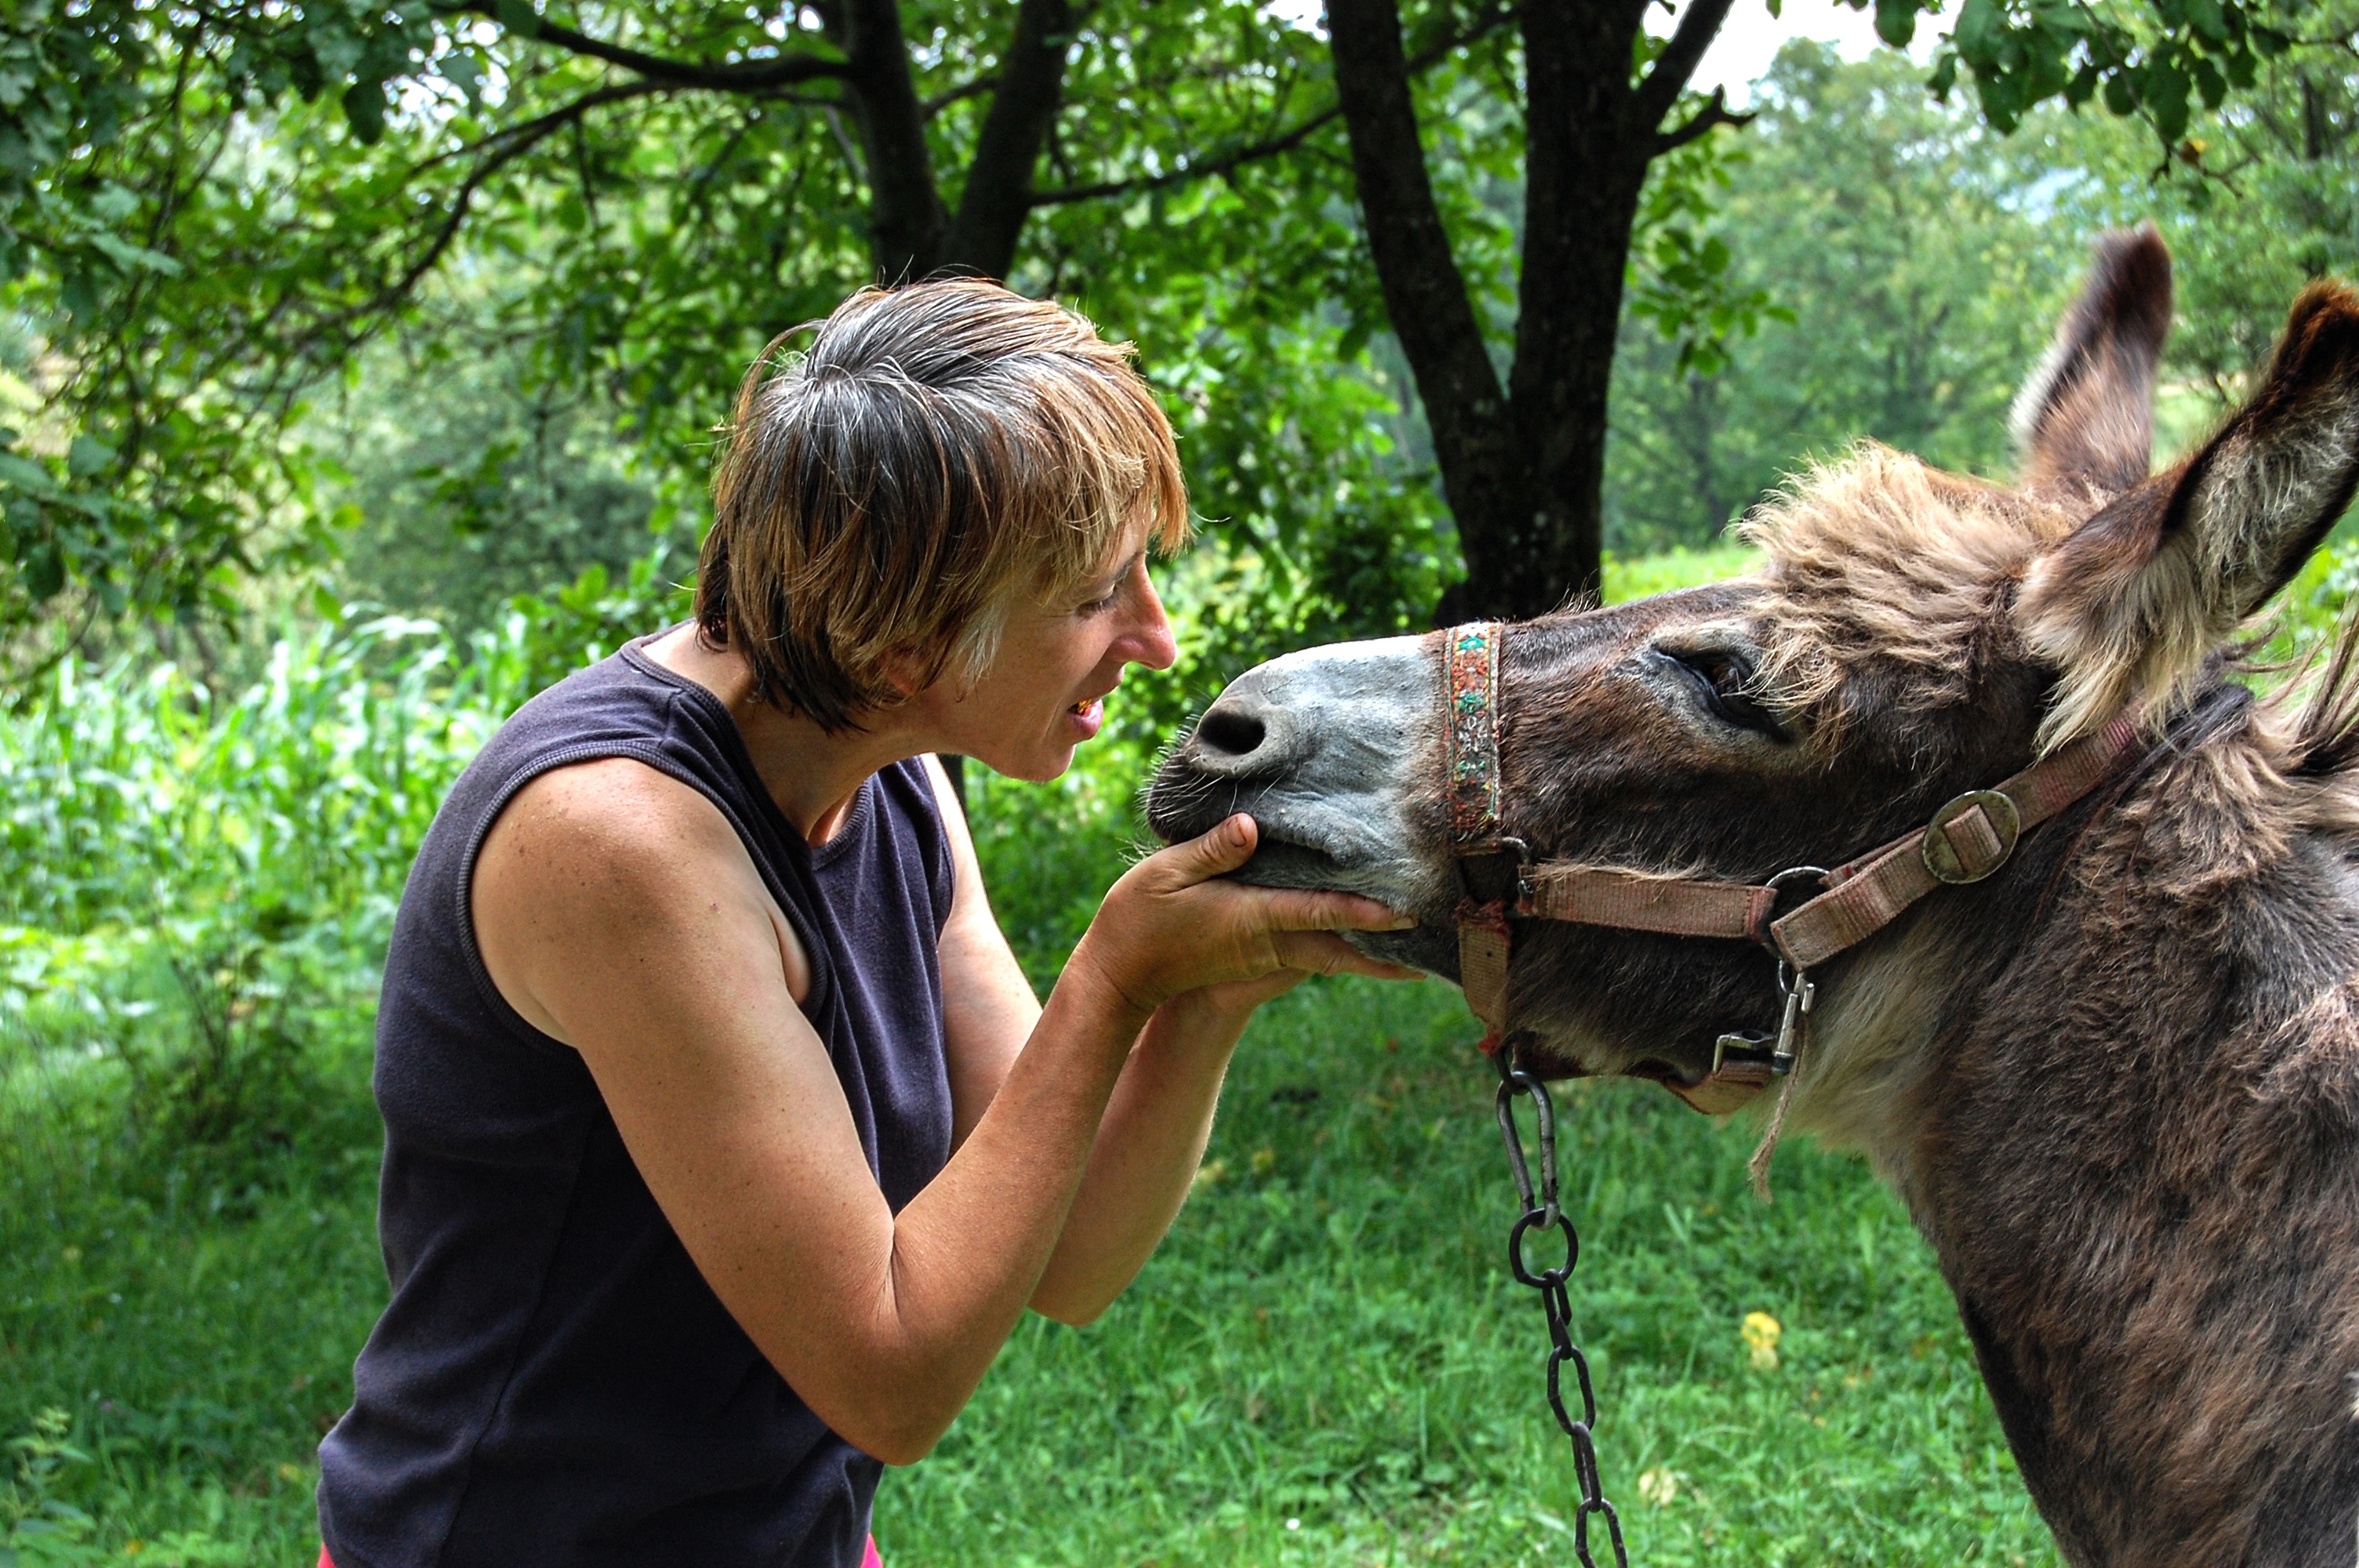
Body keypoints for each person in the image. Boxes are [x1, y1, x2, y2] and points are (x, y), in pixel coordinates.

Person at [314, 279, 1417, 1567]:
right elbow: (889, 1380)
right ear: (906, 650)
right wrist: (1112, 980)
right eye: (1093, 597)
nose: (1157, 642)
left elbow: (1071, 1260)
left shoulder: (895, 780)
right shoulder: (619, 846)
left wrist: (1207, 998)